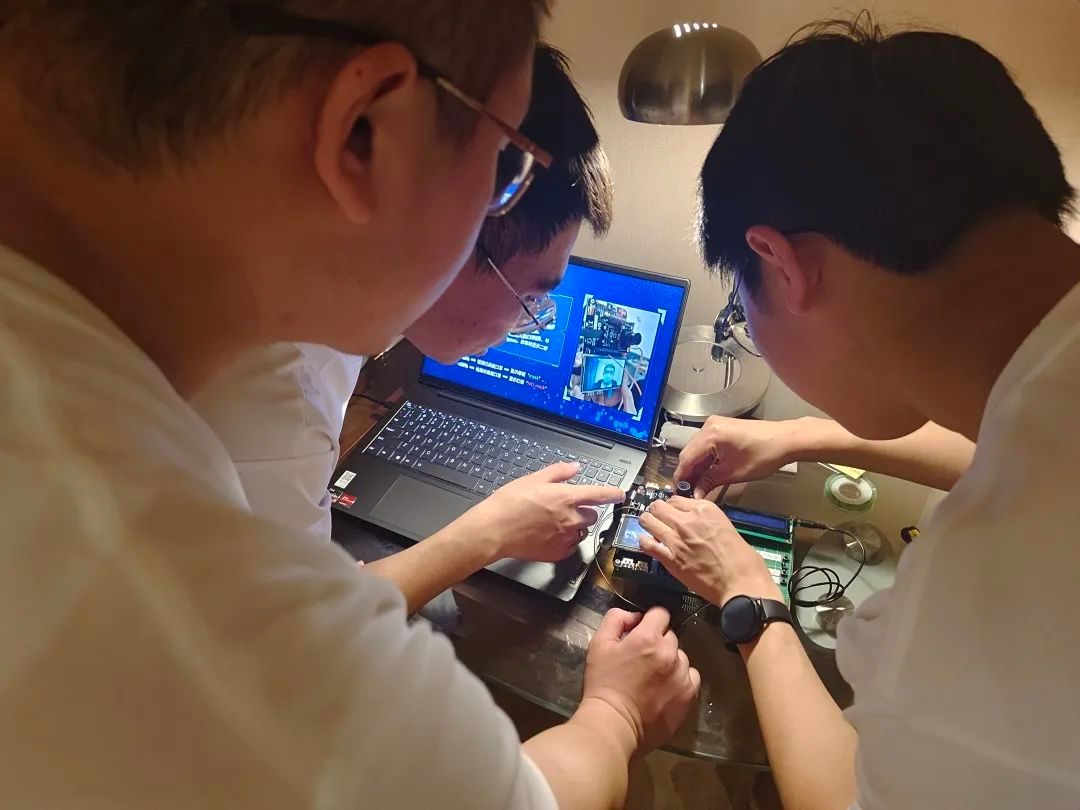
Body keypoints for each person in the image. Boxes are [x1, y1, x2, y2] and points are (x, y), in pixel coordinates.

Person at [0, 4, 698, 808]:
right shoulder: (189, 602)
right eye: (501, 171)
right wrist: (616, 714)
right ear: (365, 132)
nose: (490, 214)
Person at [638, 18, 1080, 810]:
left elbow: (843, 796)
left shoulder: (992, 607)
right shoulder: (1051, 385)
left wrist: (747, 594)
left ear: (780, 262)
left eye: (744, 307)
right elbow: (1009, 443)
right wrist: (796, 436)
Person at [193, 44, 628, 613]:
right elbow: (306, 627)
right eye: (529, 297)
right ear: (454, 231)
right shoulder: (277, 387)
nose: (527, 320)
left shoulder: (328, 307)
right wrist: (489, 532)